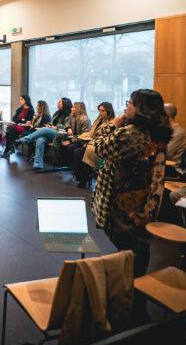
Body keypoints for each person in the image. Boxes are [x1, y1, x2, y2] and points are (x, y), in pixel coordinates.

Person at [91, 89, 172, 277]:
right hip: (145, 198)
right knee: (139, 245)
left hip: (124, 202)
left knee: (129, 247)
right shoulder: (158, 132)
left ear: (140, 109)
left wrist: (112, 124)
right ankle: (135, 288)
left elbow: (99, 146)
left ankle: (128, 290)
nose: (126, 105)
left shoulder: (133, 134)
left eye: (130, 102)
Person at [16, 97, 73, 170]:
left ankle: (23, 140)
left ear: (64, 104)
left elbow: (66, 126)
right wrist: (49, 125)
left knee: (45, 129)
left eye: (59, 102)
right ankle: (38, 165)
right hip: (52, 133)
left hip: (61, 135)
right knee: (40, 139)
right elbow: (52, 122)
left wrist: (55, 127)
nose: (57, 103)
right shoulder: (56, 113)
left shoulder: (69, 115)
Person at [72, 102, 115, 188]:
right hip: (91, 142)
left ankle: (83, 179)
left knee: (79, 152)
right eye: (99, 110)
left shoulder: (111, 123)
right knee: (73, 147)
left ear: (109, 112)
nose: (100, 113)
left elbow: (104, 138)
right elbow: (91, 133)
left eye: (103, 111)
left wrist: (88, 143)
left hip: (99, 146)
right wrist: (81, 138)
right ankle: (79, 176)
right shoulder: (99, 119)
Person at [58, 101, 91, 166]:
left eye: (74, 107)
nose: (71, 109)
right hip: (73, 139)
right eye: (72, 107)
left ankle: (71, 166)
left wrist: (70, 141)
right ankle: (64, 164)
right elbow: (67, 123)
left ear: (79, 109)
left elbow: (84, 136)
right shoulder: (72, 116)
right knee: (61, 144)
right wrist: (69, 128)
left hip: (81, 142)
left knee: (70, 147)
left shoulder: (85, 120)